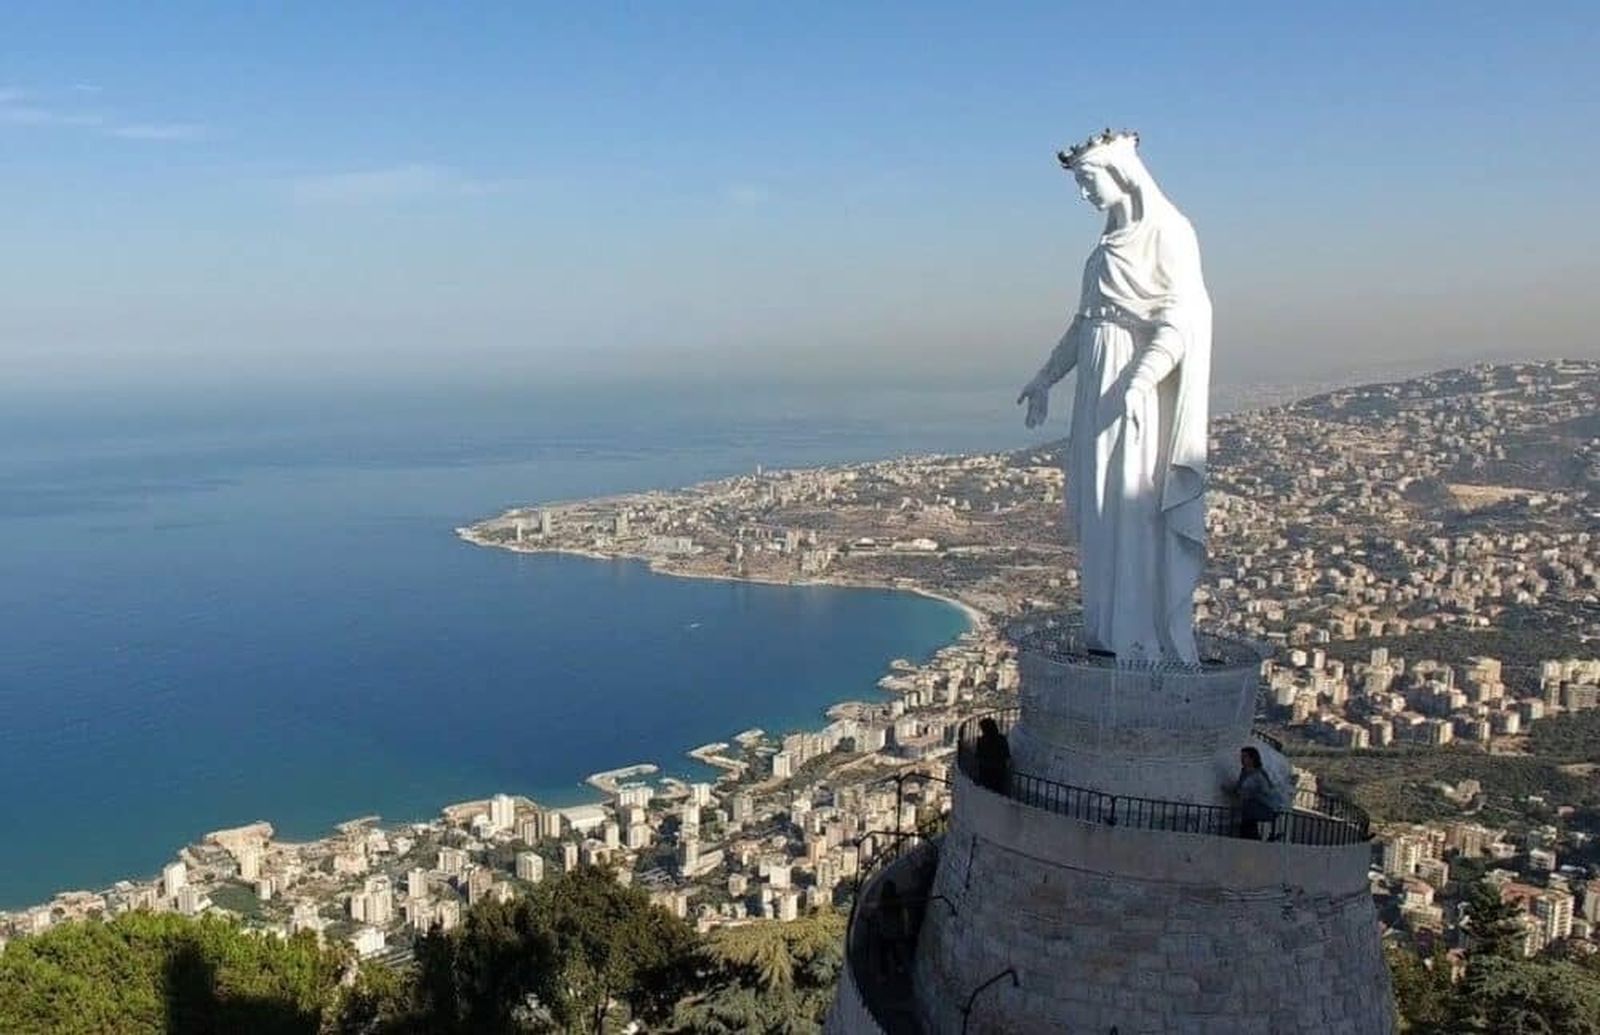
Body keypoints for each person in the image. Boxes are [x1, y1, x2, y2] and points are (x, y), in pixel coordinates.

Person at [1016, 129, 1212, 664]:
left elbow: (1180, 320)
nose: (1084, 194)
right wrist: (1045, 379)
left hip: (1136, 398)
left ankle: (1140, 638)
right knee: (1101, 512)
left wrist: (1141, 380)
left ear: (1120, 173)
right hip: (1097, 396)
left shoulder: (1169, 231)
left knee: (1133, 509)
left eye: (1087, 180)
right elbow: (1084, 327)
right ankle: (1106, 633)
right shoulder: (1103, 246)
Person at [1230, 746, 1277, 841]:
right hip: (1248, 811)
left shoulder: (1259, 773)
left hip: (1259, 810)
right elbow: (1239, 788)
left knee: (1251, 836)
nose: (1242, 760)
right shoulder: (1244, 772)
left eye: (1245, 757)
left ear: (1253, 758)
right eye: (1242, 757)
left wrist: (1251, 792)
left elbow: (1267, 791)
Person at [973, 717, 1012, 794]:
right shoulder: (1001, 739)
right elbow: (1006, 755)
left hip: (985, 771)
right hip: (999, 770)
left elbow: (978, 755)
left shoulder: (982, 740)